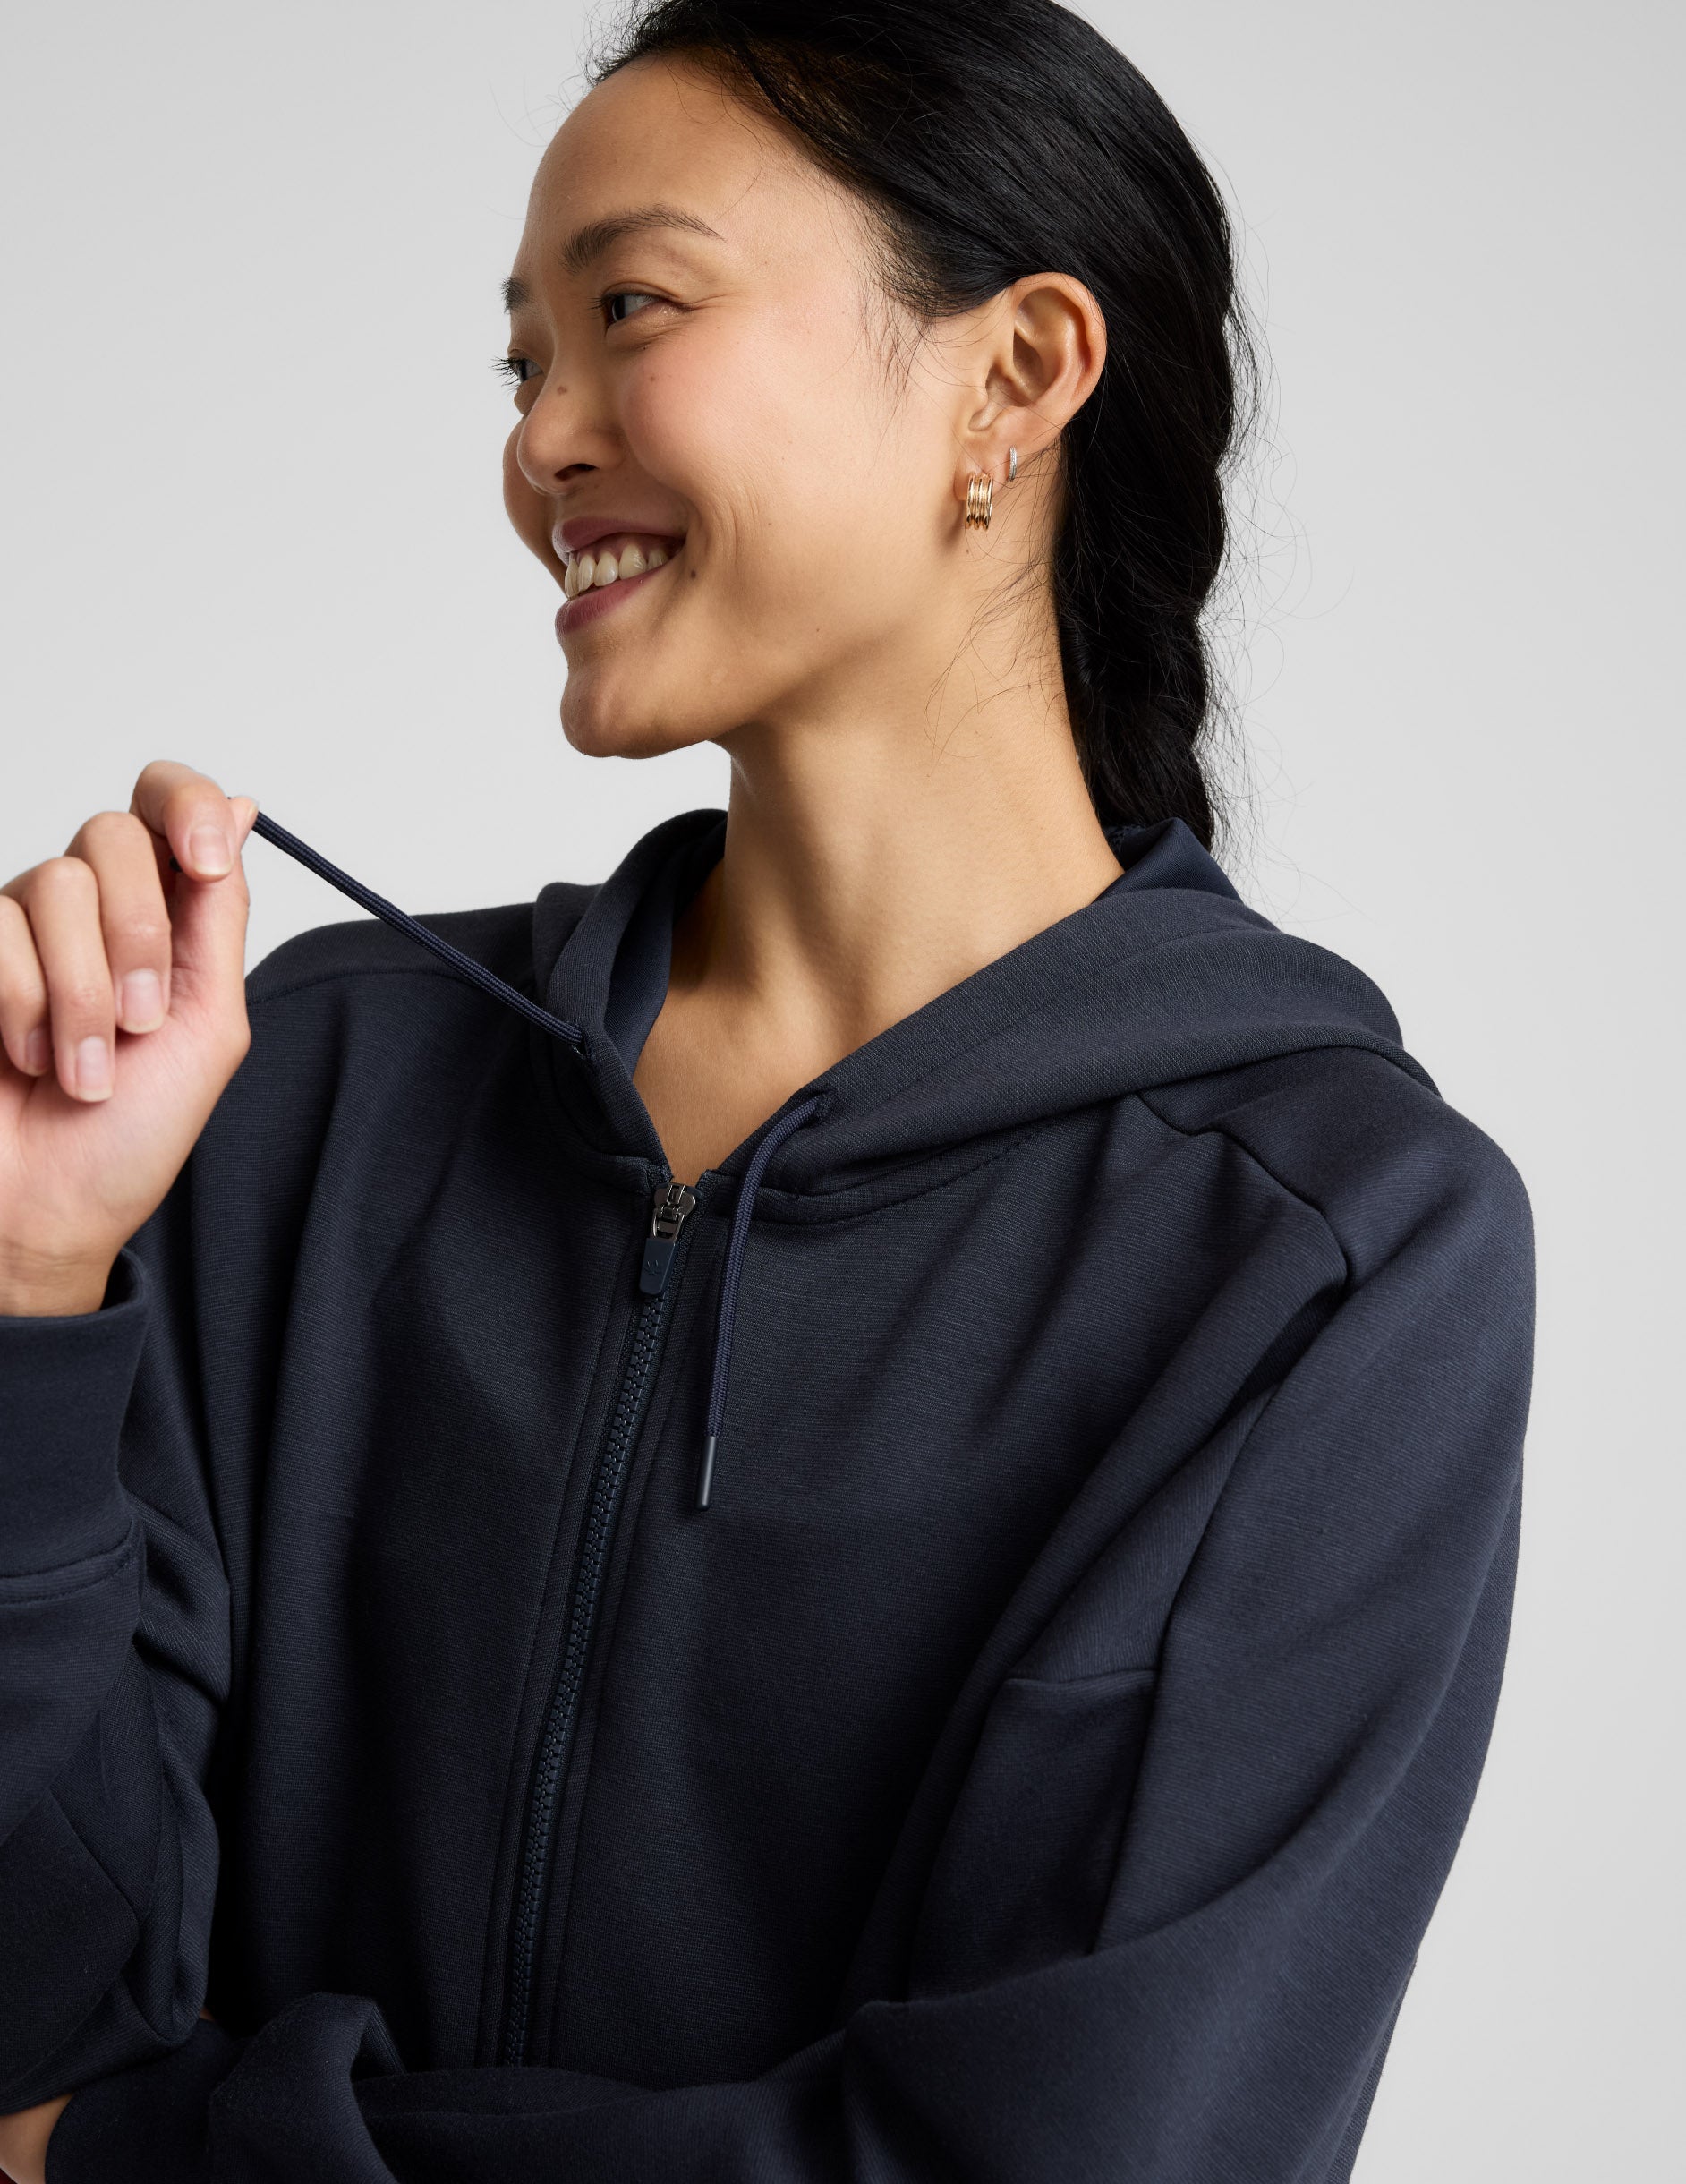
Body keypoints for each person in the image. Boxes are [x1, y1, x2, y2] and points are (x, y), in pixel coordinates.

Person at [0, 3, 1534, 2179]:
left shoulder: (1325, 1247)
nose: (543, 440)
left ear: (1017, 375)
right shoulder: (300, 1088)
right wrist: (32, 1287)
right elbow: (34, 2016)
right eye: (520, 366)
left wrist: (168, 2152)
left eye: (630, 309)